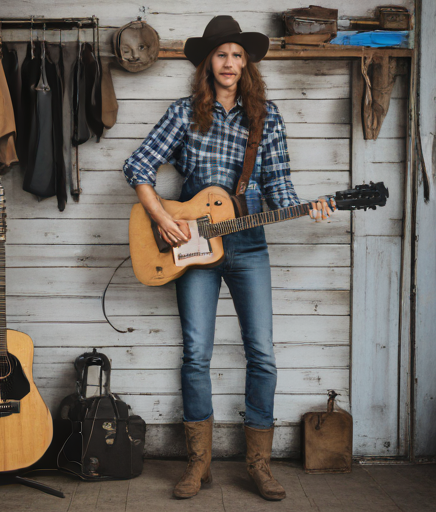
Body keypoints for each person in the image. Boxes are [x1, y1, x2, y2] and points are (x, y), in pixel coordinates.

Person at [123, 15, 333, 501]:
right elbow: (138, 166)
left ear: (248, 64)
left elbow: (280, 188)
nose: (230, 63)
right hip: (192, 247)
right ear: (207, 63)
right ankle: (200, 462)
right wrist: (160, 218)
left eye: (239, 55)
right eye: (222, 54)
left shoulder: (267, 116)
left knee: (261, 353)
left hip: (248, 245)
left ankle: (257, 462)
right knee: (196, 353)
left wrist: (312, 206)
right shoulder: (183, 112)